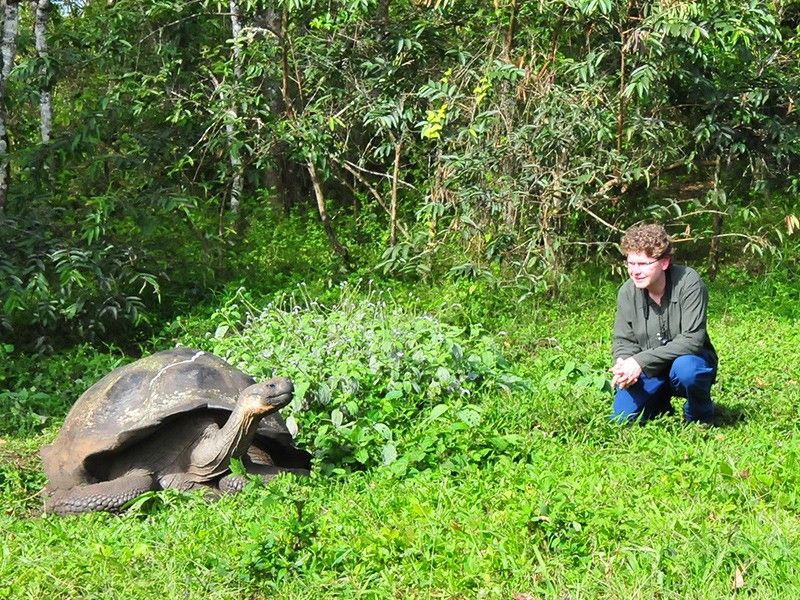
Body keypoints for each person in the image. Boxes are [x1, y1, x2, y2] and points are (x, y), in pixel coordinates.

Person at [610, 223, 718, 424]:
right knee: (622, 418)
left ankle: (700, 415)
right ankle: (659, 404)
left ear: (664, 262)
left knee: (688, 370)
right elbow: (623, 339)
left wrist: (639, 362)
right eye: (630, 263)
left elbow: (692, 340)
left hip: (687, 361)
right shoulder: (627, 292)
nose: (635, 271)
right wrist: (624, 363)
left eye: (643, 264)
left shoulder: (689, 282)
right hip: (650, 368)